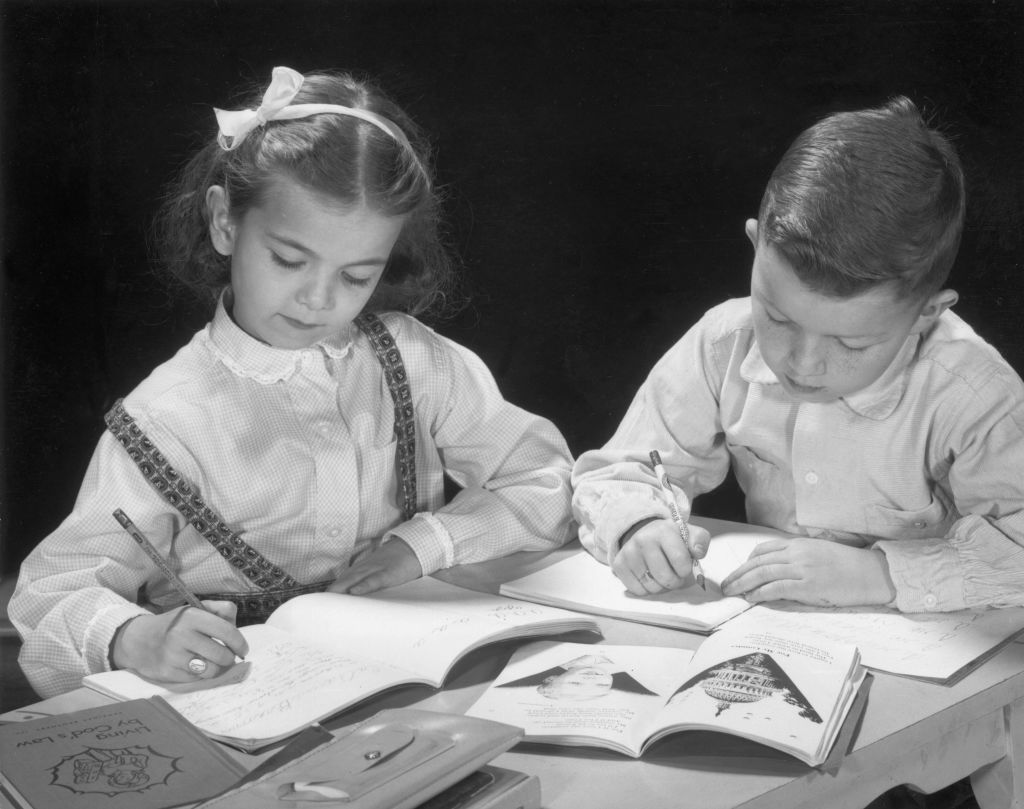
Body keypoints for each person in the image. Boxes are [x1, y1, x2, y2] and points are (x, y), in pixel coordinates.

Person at [11, 66, 575, 698]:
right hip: (240, 701)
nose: (317, 300)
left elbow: (544, 480)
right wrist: (131, 636)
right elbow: (51, 592)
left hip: (418, 679)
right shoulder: (166, 416)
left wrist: (427, 544)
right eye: (288, 259)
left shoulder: (413, 359)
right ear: (225, 222)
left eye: (357, 275)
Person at [572, 96, 1024, 613]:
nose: (803, 364)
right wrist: (638, 524)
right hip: (772, 633)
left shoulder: (972, 390)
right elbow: (617, 470)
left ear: (927, 313)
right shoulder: (724, 341)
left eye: (852, 344)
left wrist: (882, 574)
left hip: (935, 643)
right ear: (755, 245)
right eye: (779, 318)